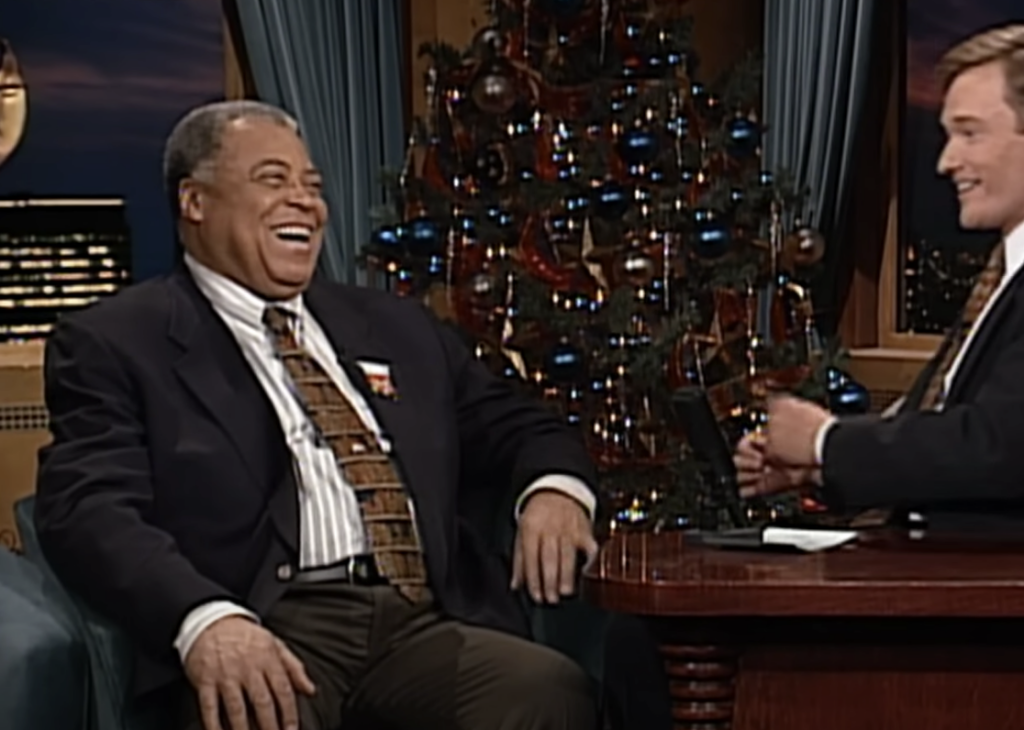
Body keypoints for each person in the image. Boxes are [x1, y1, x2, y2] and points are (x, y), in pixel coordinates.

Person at [35, 100, 602, 730]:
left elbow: (518, 423)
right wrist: (204, 618)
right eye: (272, 181)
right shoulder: (118, 341)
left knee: (548, 692)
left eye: (312, 187)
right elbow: (87, 506)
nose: (306, 204)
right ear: (193, 202)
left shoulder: (395, 327)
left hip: (419, 620)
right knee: (253, 713)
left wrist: (555, 491)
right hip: (265, 622)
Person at [734, 24, 1024, 533]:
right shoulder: (1000, 279)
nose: (946, 161)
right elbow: (935, 438)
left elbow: (998, 444)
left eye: (970, 132)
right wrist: (815, 467)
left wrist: (826, 441)